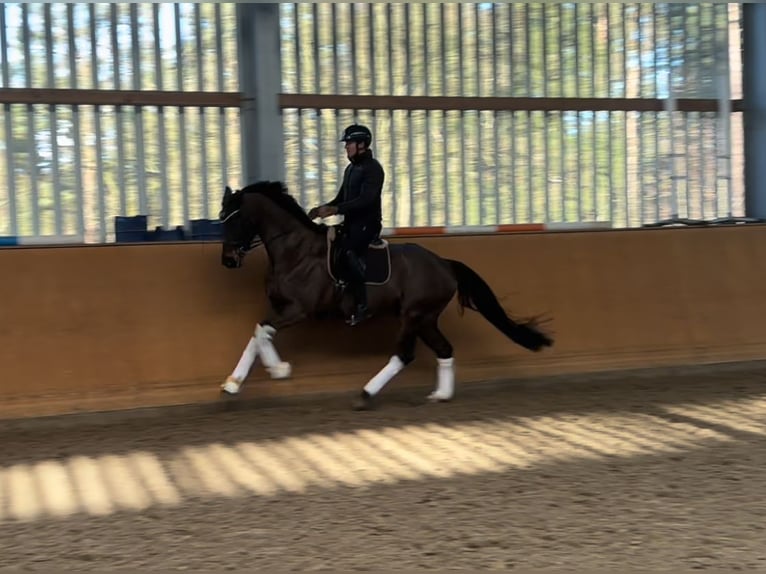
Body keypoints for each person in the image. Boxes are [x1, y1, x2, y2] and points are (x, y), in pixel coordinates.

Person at [308, 123, 385, 326]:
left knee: (349, 251)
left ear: (362, 144)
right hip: (351, 224)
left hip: (368, 225)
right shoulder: (351, 169)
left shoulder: (373, 169)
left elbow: (366, 200)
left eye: (349, 143)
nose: (346, 147)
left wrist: (336, 210)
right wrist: (322, 208)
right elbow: (341, 197)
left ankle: (362, 305)